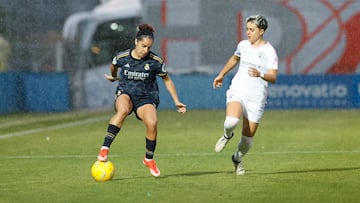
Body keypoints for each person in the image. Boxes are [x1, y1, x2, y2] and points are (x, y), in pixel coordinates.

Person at [97, 24, 187, 177]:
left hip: (146, 96)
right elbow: (113, 66)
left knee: (152, 122)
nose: (146, 50)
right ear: (136, 42)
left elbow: (167, 80)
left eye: (149, 47)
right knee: (123, 110)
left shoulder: (155, 61)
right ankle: (105, 148)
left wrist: (176, 100)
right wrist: (113, 77)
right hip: (125, 92)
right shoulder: (122, 57)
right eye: (143, 46)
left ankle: (148, 159)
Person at [212, 15, 278, 175]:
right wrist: (221, 74)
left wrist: (260, 74)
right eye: (247, 29)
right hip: (239, 89)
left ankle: (237, 159)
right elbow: (234, 59)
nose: (248, 32)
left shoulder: (269, 51)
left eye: (252, 30)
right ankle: (227, 136)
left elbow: (273, 77)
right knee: (231, 121)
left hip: (256, 97)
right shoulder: (243, 45)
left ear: (261, 31)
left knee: (247, 140)